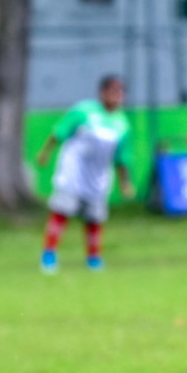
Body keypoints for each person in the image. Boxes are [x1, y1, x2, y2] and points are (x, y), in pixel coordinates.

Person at [37, 74, 134, 272]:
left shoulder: (123, 123)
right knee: (61, 211)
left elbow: (122, 158)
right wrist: (45, 153)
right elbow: (59, 132)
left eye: (120, 92)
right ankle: (49, 254)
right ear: (102, 92)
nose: (116, 96)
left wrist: (125, 183)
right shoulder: (84, 111)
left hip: (98, 178)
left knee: (95, 218)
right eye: (112, 91)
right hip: (73, 173)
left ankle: (94, 257)